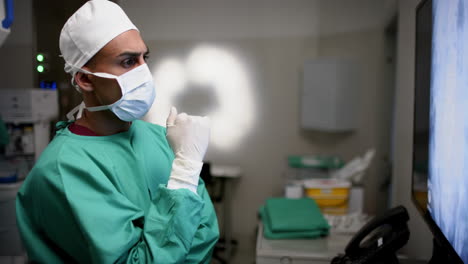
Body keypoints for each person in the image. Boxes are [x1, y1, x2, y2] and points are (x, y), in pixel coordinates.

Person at [15, 0, 219, 263]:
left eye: (144, 58)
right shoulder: (63, 171)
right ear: (85, 79)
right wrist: (185, 173)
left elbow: (207, 232)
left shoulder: (160, 138)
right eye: (127, 62)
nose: (144, 72)